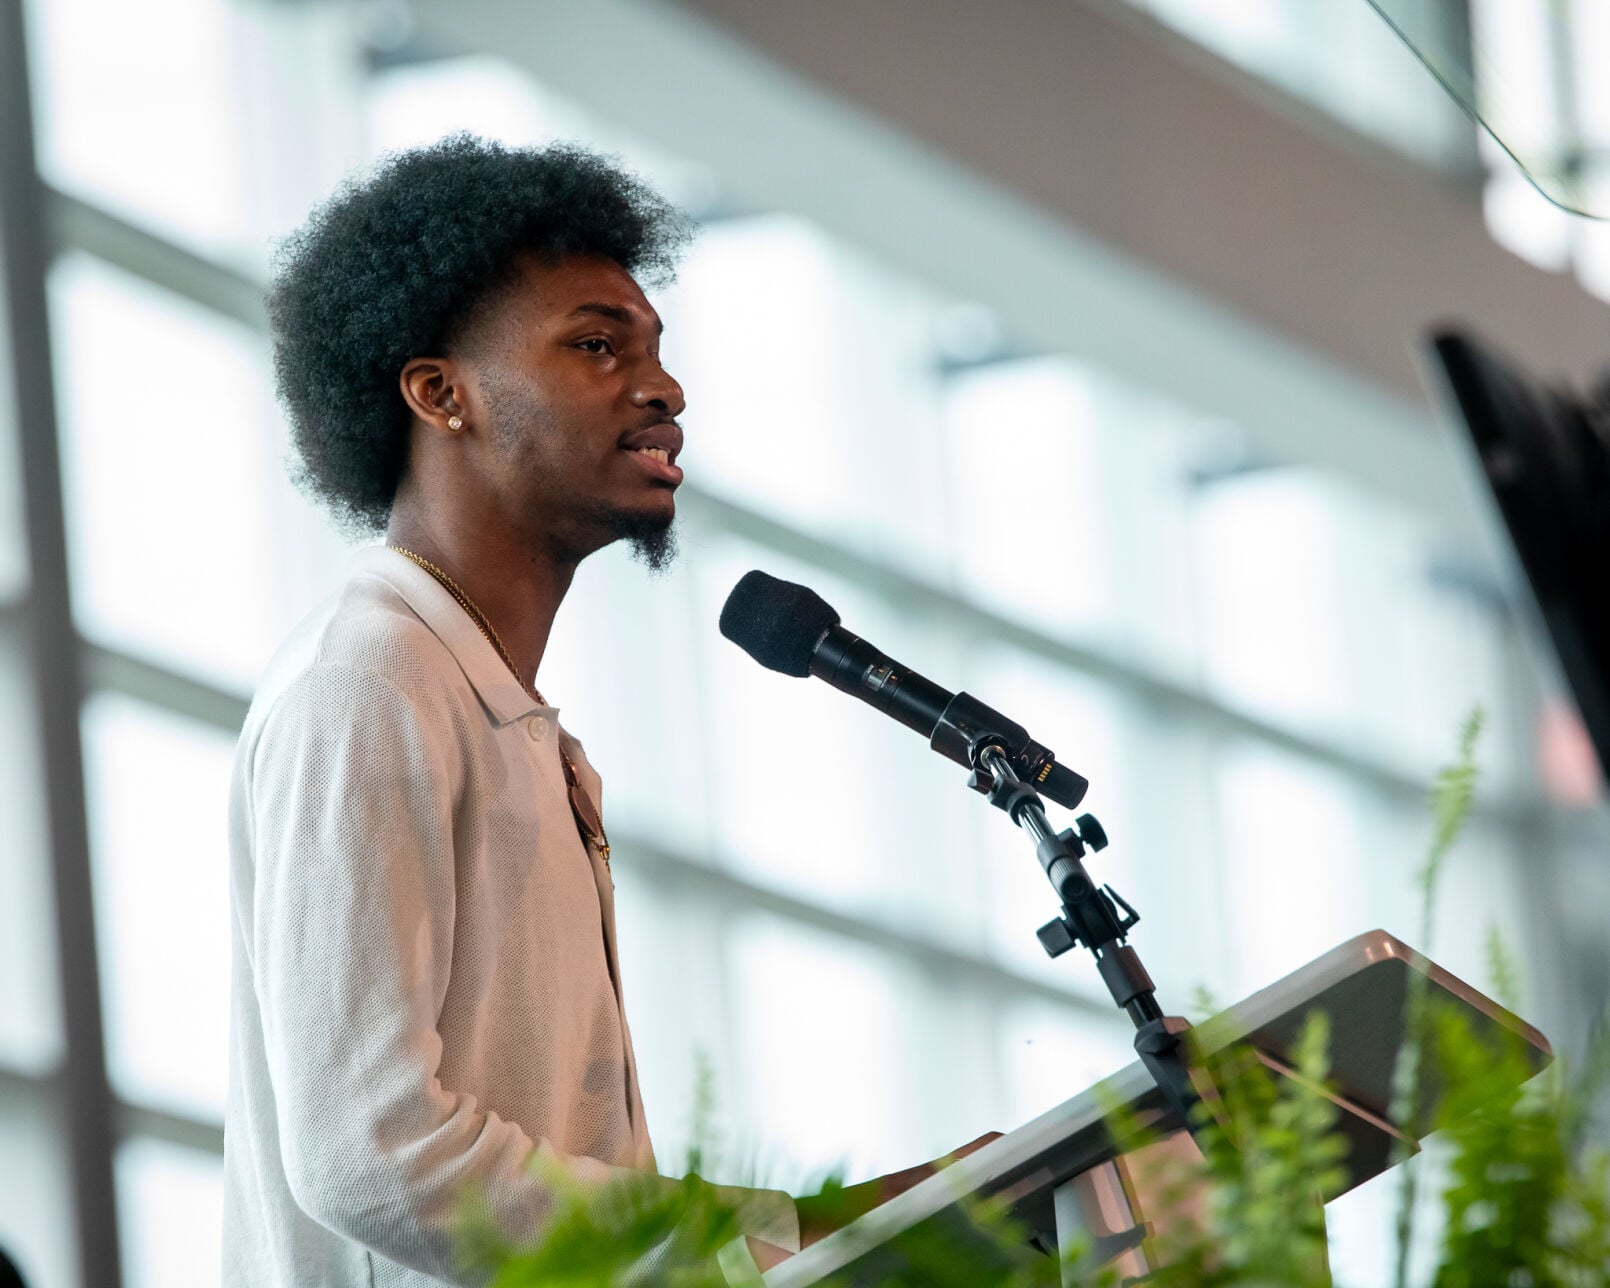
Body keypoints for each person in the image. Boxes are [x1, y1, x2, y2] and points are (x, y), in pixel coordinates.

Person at [224, 136, 992, 1286]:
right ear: (441, 395)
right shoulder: (369, 683)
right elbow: (369, 1153)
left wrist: (839, 1222)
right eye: (594, 344)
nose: (663, 389)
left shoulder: (501, 713)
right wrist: (780, 1235)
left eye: (653, 350)